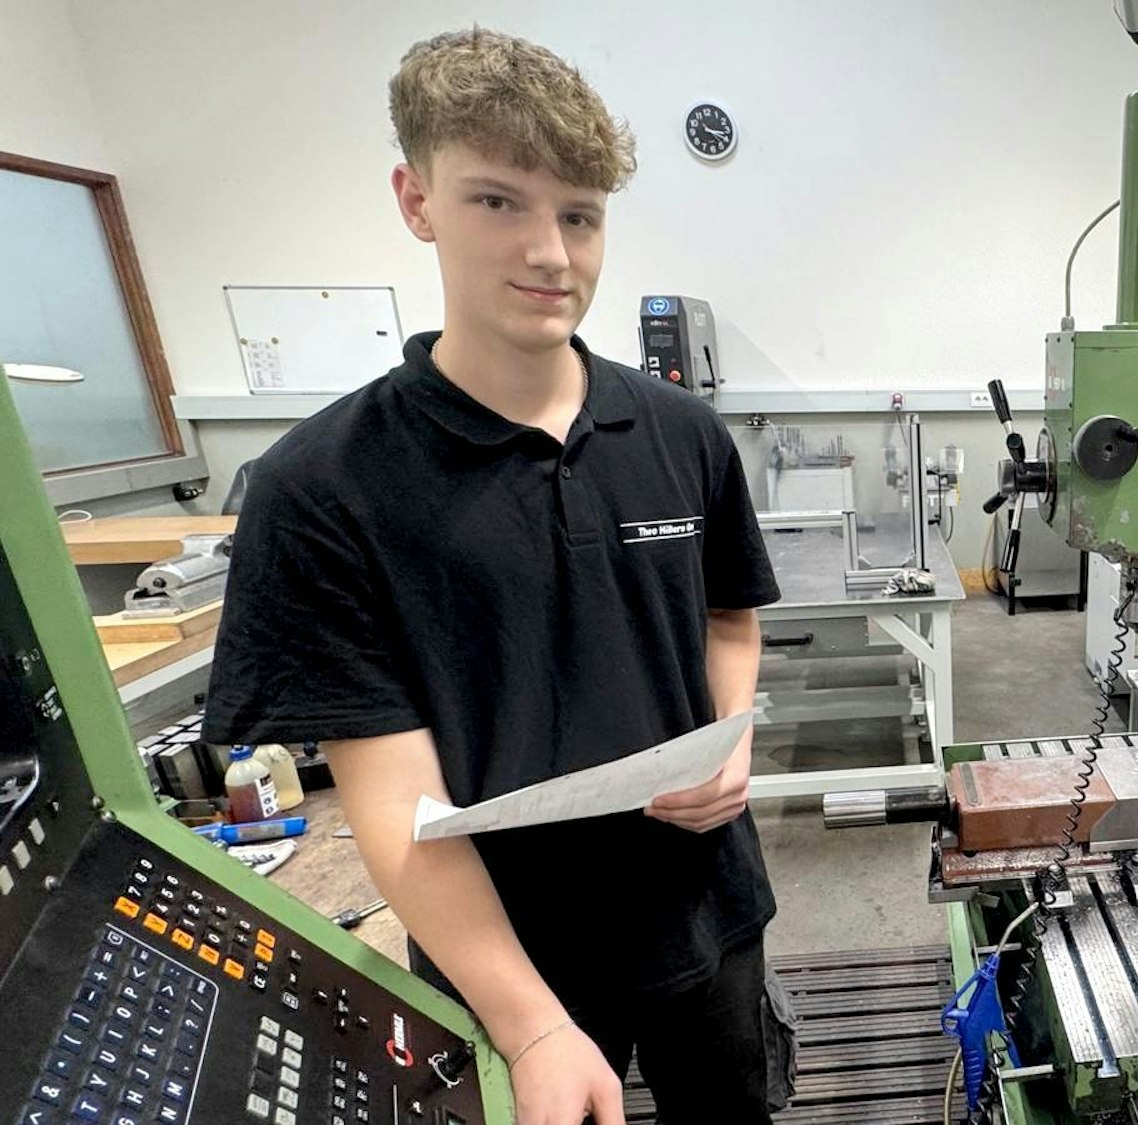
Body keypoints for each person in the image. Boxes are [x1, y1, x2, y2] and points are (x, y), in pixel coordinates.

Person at [203, 28, 782, 1125]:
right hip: (509, 959)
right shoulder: (324, 487)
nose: (550, 253)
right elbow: (392, 798)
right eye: (497, 202)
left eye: (579, 215)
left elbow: (728, 617)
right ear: (416, 200)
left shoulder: (681, 434)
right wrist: (531, 1025)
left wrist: (730, 739)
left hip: (709, 912)